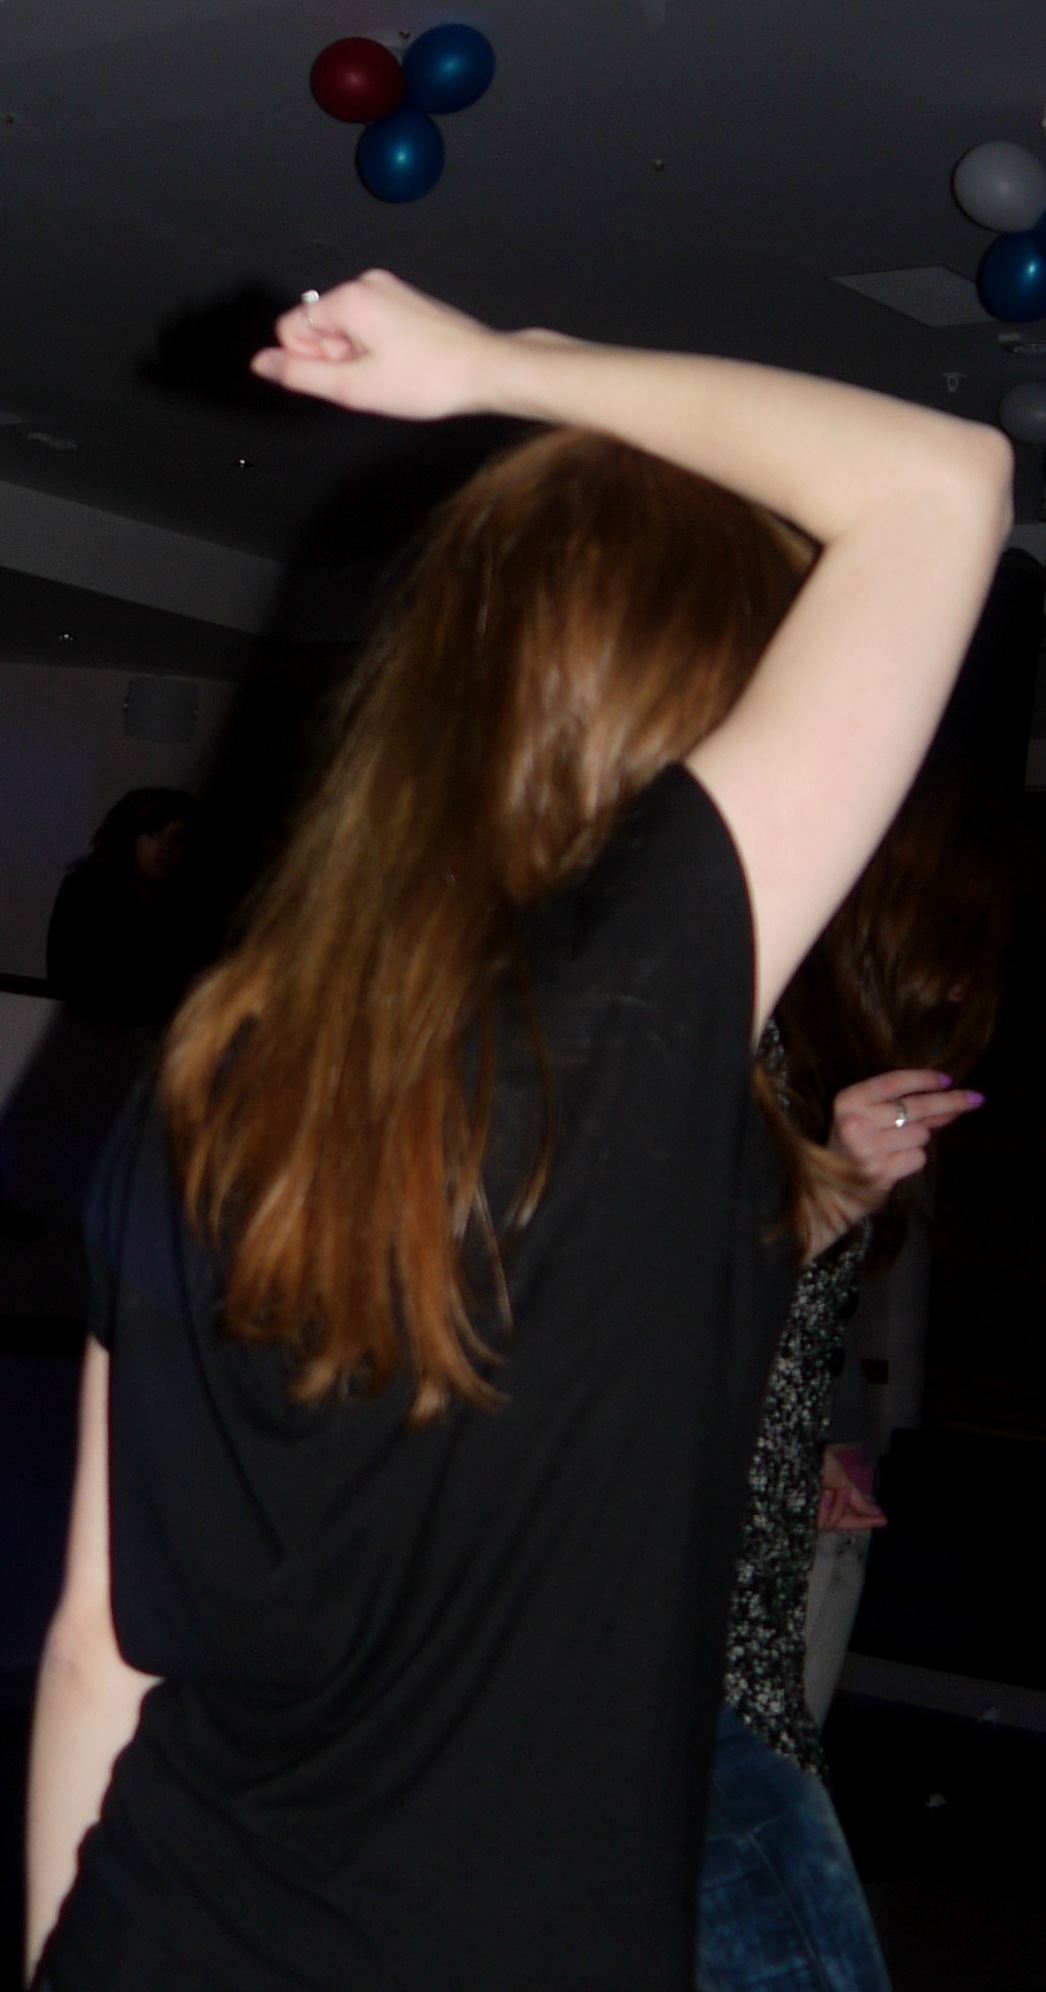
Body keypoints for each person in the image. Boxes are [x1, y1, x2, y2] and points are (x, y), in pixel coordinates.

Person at [25, 272, 1011, 1992]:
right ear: (691, 704)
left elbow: (103, 1643)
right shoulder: (623, 1006)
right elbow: (942, 484)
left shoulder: (219, 1075)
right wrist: (514, 368)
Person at [698, 755, 1016, 1992]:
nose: (967, 982)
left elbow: (790, 1312)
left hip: (747, 1589)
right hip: (677, 1610)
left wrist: (817, 1433)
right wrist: (817, 1203)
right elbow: (633, 1302)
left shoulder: (810, 1050)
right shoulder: (736, 1039)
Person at [46, 790, 206, 1030]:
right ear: (130, 837)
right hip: (93, 1027)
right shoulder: (88, 887)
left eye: (178, 839)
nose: (164, 847)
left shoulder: (195, 900)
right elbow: (66, 973)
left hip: (168, 1030)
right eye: (153, 834)